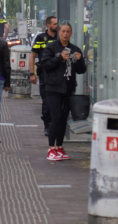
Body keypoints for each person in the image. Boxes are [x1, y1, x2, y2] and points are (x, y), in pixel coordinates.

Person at [39, 22, 86, 160]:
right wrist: (59, 58)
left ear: (71, 33)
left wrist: (80, 60)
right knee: (56, 117)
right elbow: (45, 65)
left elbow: (81, 70)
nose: (65, 34)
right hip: (53, 88)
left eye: (68, 31)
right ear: (59, 32)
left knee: (64, 119)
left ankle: (59, 147)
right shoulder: (51, 47)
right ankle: (50, 149)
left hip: (68, 88)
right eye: (63, 31)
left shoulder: (75, 49)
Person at [30, 16, 58, 136]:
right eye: (55, 24)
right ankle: (47, 125)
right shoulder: (41, 38)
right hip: (45, 74)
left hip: (58, 75)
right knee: (46, 102)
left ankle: (56, 125)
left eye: (57, 23)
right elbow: (32, 56)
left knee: (58, 102)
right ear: (48, 25)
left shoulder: (60, 37)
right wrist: (32, 73)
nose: (57, 26)